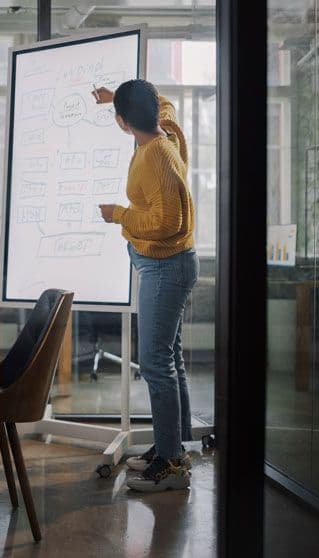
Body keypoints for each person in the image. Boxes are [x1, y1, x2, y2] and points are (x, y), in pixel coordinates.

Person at [94, 80, 198, 492]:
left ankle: (171, 466)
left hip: (164, 266)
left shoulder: (156, 155)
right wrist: (114, 98)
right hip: (166, 264)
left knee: (156, 363)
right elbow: (164, 103)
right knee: (170, 358)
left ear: (122, 123)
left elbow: (166, 223)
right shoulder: (166, 129)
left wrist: (119, 214)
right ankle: (174, 446)